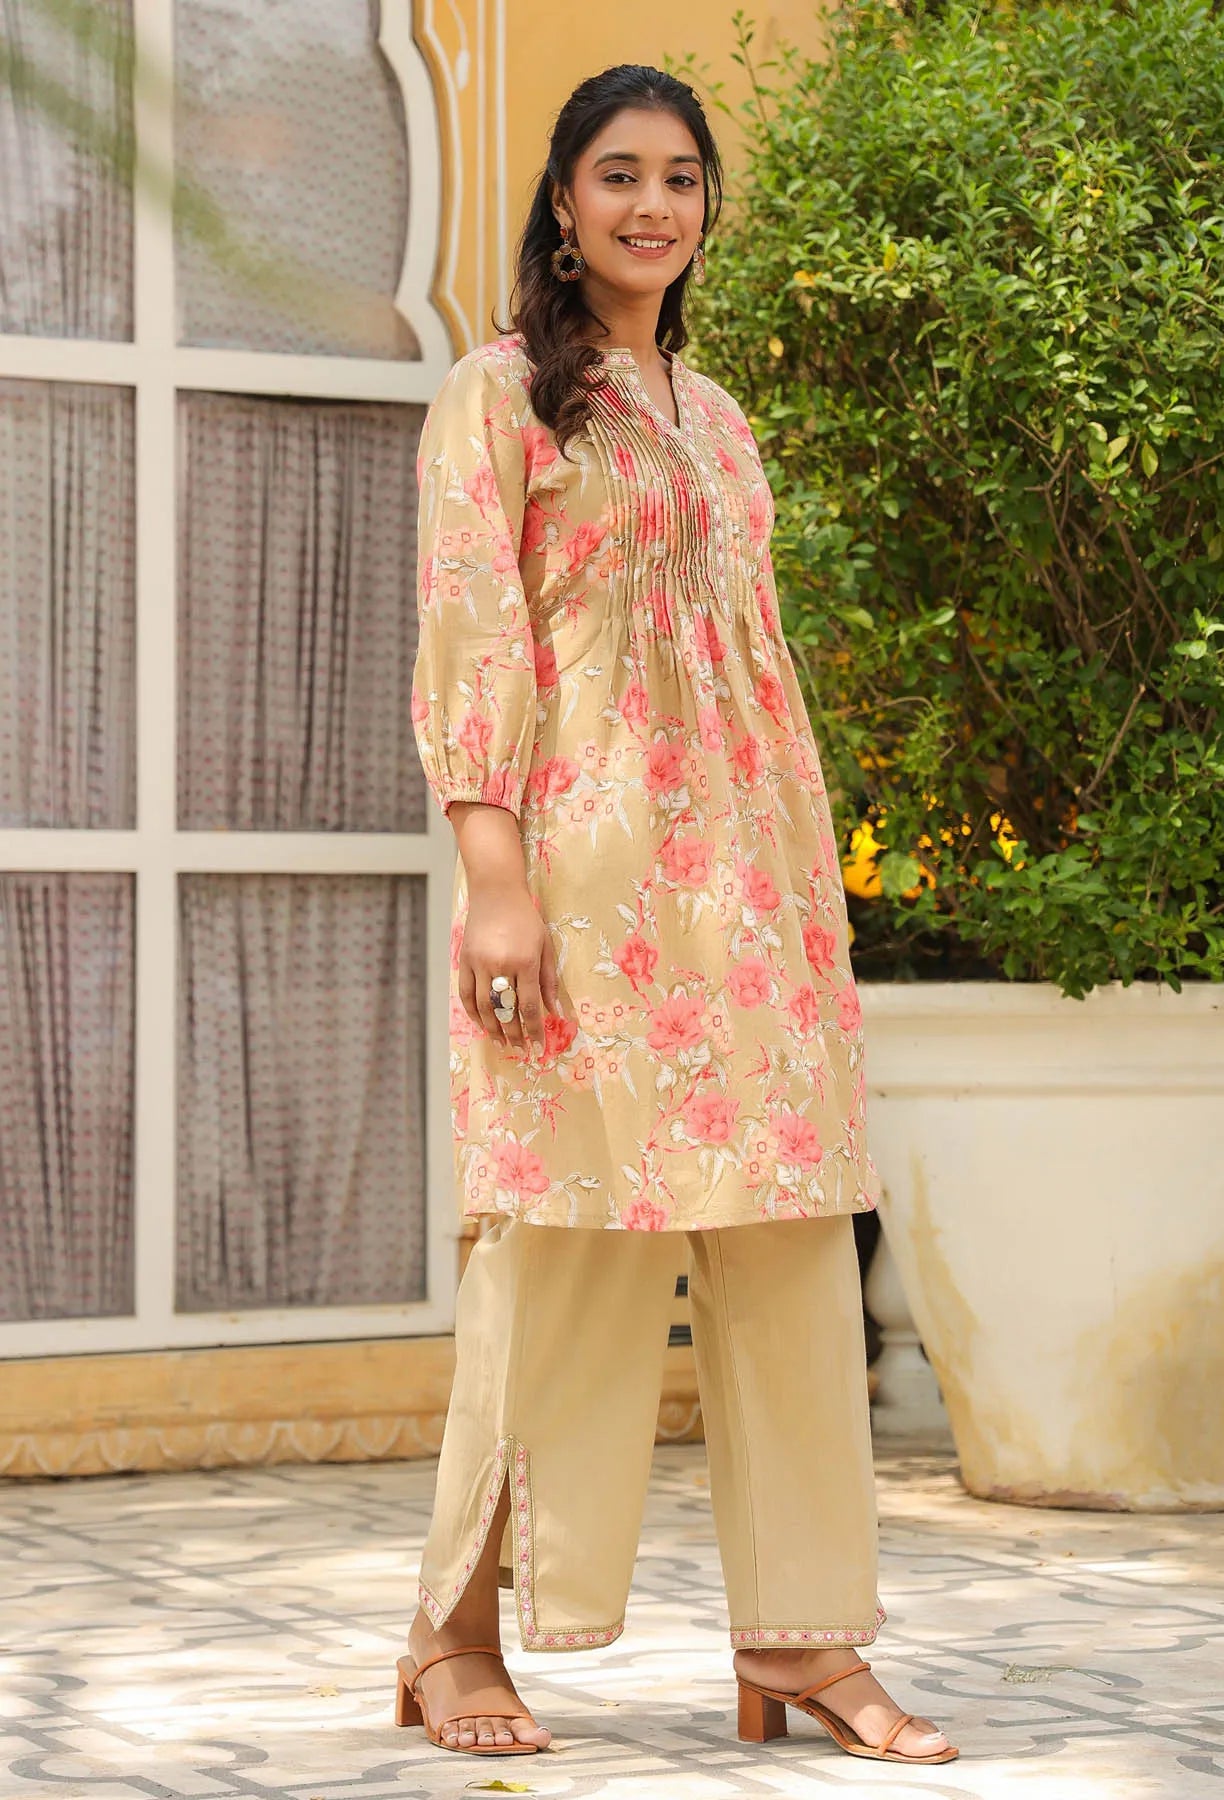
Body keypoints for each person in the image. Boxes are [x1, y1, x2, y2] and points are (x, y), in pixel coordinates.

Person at [397, 62, 959, 1767]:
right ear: (561, 204)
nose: (655, 205)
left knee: (788, 1243)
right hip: (583, 877)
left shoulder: (720, 421)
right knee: (558, 1246)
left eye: (685, 179)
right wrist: (495, 878)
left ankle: (799, 1640)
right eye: (619, 175)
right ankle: (455, 1637)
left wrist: (803, 885)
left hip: (753, 886)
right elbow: (473, 644)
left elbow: (752, 666)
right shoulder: (496, 401)